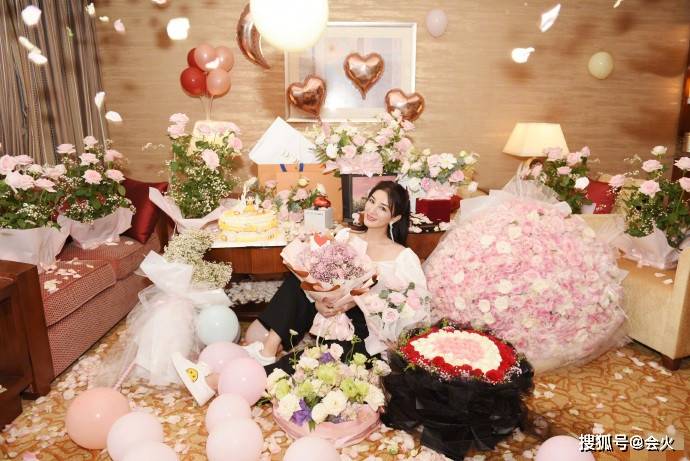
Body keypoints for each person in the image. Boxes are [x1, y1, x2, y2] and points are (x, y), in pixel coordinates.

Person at [173, 181, 428, 405]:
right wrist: (320, 303)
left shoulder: (403, 257)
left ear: (395, 217)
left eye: (382, 208)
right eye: (371, 201)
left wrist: (358, 303)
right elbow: (319, 277)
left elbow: (414, 312)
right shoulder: (345, 236)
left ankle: (214, 382)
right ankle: (268, 350)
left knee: (313, 363)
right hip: (327, 313)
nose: (371, 210)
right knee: (301, 280)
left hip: (363, 330)